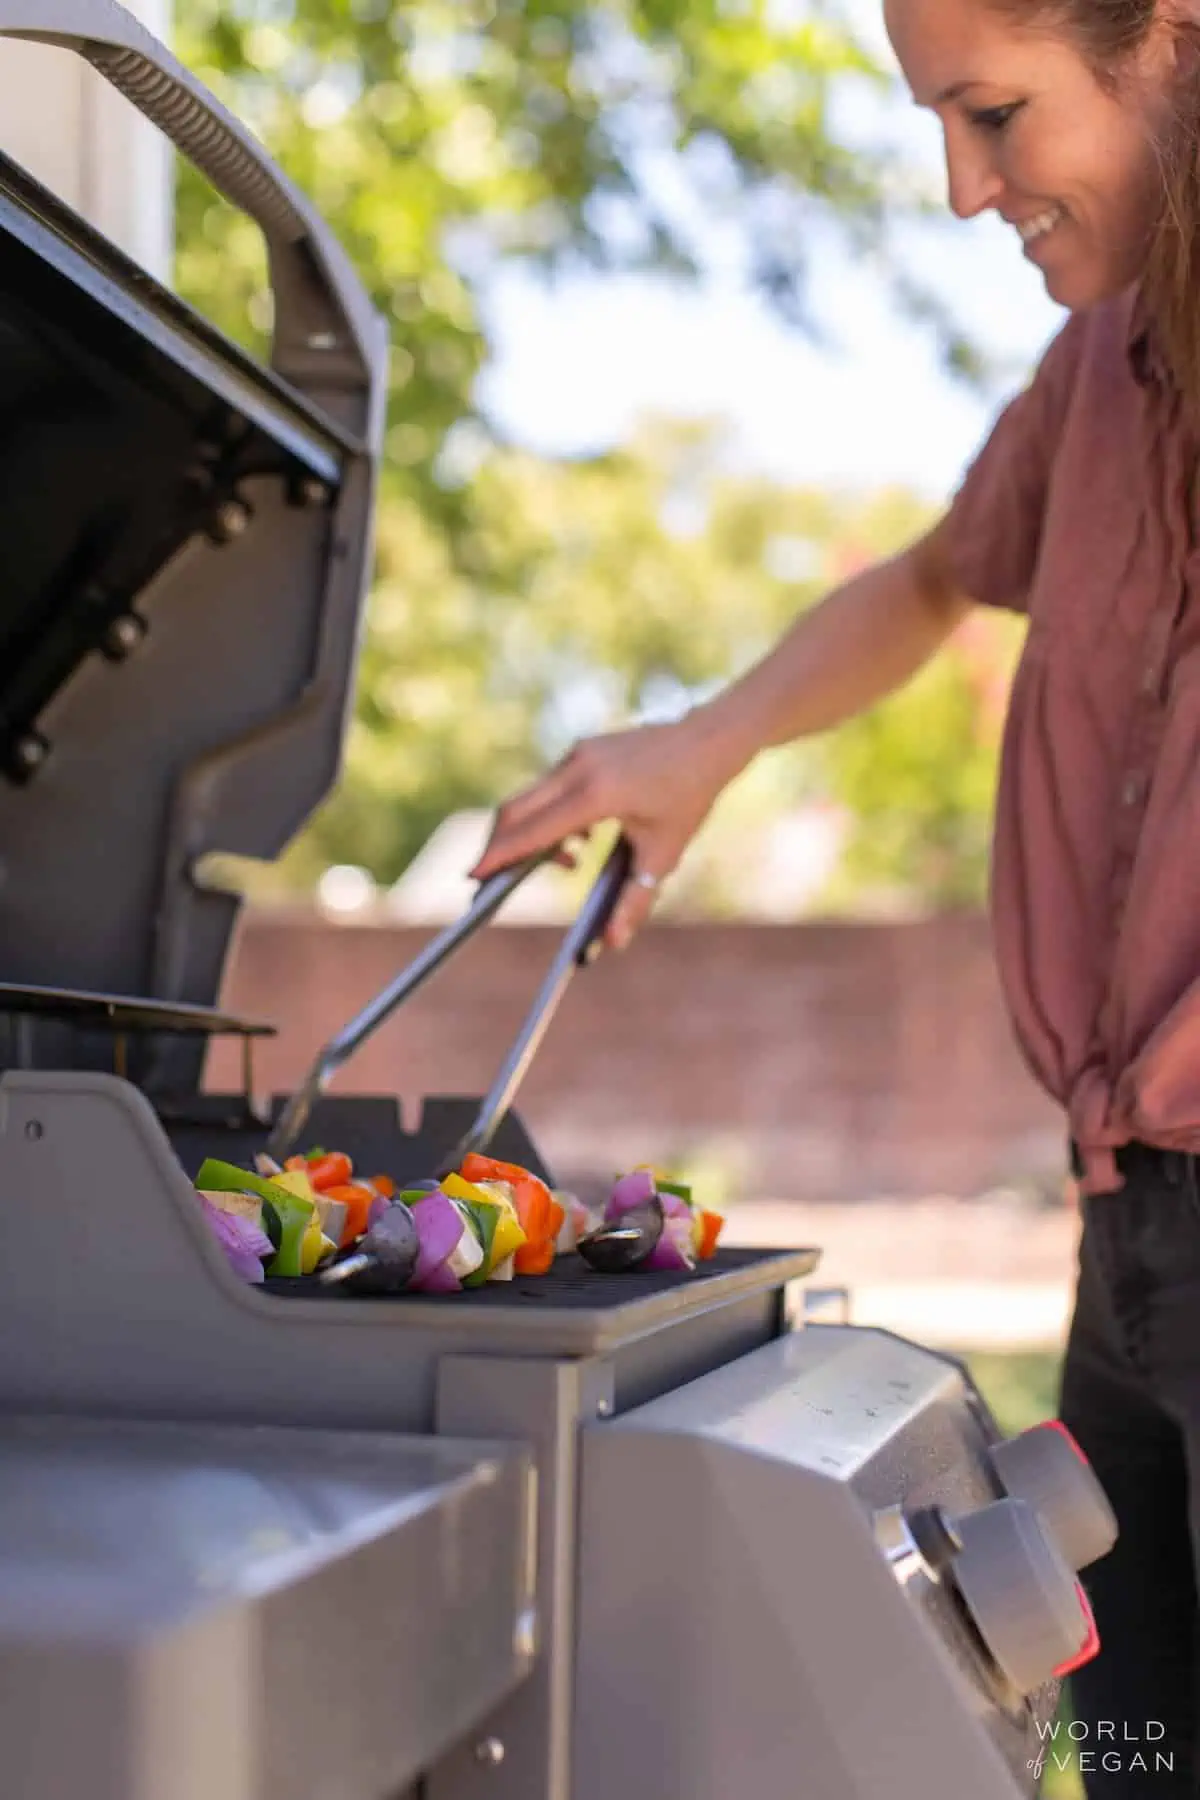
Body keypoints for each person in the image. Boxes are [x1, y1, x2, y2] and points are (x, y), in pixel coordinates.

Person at [471, 0, 1200, 1791]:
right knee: (1147, 1754)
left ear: (1171, 43)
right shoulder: (1098, 367)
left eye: (996, 113)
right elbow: (944, 573)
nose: (961, 188)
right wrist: (703, 745)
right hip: (1135, 1228)